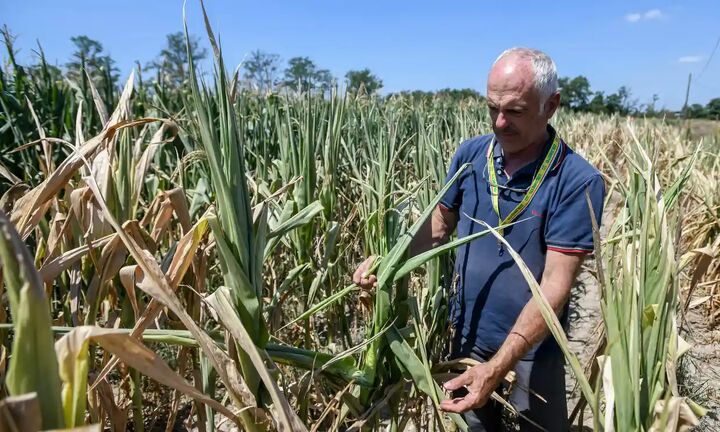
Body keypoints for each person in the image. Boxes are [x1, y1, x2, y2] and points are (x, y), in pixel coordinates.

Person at [353, 47, 605, 431]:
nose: (500, 122)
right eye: (492, 108)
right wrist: (387, 262)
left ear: (551, 105)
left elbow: (556, 285)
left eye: (515, 111)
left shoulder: (576, 180)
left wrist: (499, 365)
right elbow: (439, 224)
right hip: (467, 332)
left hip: (532, 352)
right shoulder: (472, 156)